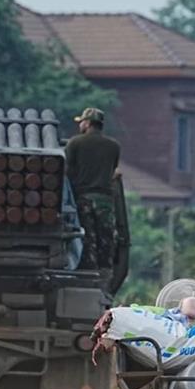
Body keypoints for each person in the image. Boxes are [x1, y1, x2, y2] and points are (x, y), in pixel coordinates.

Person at [65, 107, 120, 271]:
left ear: (87, 123)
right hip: (105, 199)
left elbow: (67, 170)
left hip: (84, 197)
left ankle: (87, 269)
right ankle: (105, 269)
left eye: (81, 122)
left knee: (87, 236)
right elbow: (112, 171)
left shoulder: (75, 143)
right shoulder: (114, 146)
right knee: (106, 236)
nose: (80, 125)